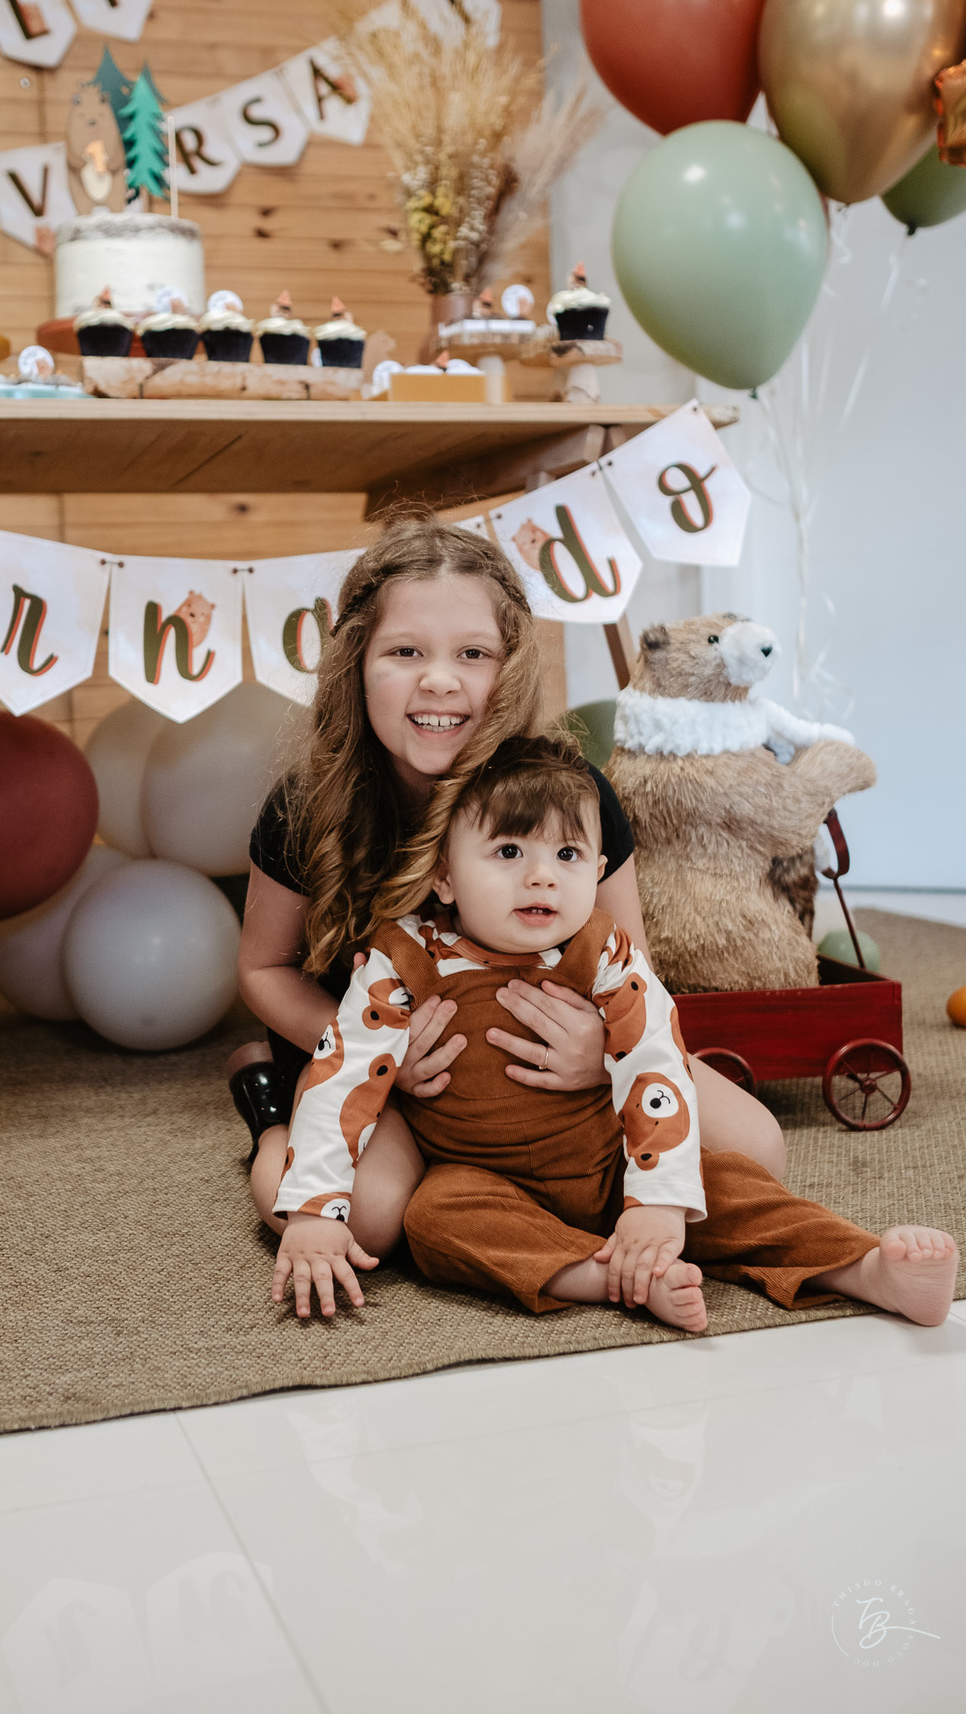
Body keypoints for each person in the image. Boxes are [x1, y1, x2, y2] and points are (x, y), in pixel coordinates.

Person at [231, 512, 786, 1262]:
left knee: (755, 1152)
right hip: (367, 1051)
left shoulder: (569, 795)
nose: (440, 679)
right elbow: (262, 970)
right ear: (356, 662)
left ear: (512, 665)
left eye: (473, 653)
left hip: (542, 1050)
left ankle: (486, 1173)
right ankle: (268, 1106)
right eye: (405, 651)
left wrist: (602, 1049)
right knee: (369, 1217)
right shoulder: (308, 806)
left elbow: (633, 964)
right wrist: (380, 1049)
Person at [269, 734, 958, 1329]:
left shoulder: (605, 953)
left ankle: (862, 1267)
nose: (542, 877)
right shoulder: (404, 957)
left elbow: (657, 1064)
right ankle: (603, 1276)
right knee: (436, 1219)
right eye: (508, 851)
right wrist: (313, 1213)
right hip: (478, 1175)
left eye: (567, 855)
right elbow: (341, 1076)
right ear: (444, 877)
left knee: (731, 1185)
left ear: (598, 873)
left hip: (614, 1165)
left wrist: (656, 1201)